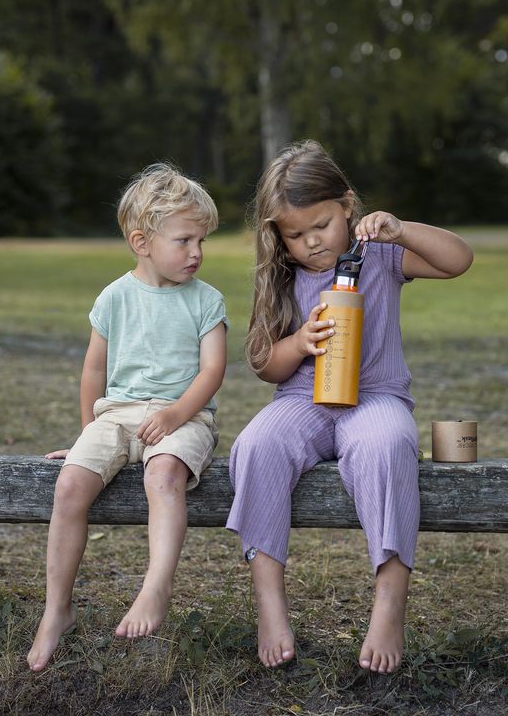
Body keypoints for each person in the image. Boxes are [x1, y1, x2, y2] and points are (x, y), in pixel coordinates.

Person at [226, 140, 473, 673]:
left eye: (321, 225)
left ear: (348, 206)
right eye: (295, 234)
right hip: (302, 400)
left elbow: (459, 261)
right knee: (255, 445)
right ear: (277, 236)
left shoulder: (380, 256)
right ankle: (270, 604)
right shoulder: (283, 275)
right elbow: (264, 363)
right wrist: (298, 343)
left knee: (390, 445)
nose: (312, 243)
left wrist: (400, 228)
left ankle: (389, 604)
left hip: (375, 397)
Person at [27, 163, 228, 672]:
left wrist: (177, 412)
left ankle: (156, 586)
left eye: (201, 241)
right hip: (116, 416)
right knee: (70, 485)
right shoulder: (114, 297)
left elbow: (212, 372)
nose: (197, 253)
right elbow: (93, 370)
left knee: (163, 474)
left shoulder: (206, 300)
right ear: (142, 241)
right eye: (184, 241)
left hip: (185, 418)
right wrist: (84, 439)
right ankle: (57, 609)